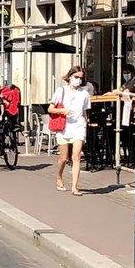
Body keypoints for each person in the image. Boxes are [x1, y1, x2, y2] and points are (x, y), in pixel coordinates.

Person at [49, 65, 92, 195]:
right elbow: (50, 109)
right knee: (63, 157)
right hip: (64, 126)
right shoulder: (61, 90)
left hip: (79, 126)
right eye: (76, 77)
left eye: (80, 78)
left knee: (76, 156)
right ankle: (59, 177)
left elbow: (84, 111)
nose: (78, 80)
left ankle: (74, 187)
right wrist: (62, 110)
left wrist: (86, 121)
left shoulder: (84, 93)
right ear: (70, 77)